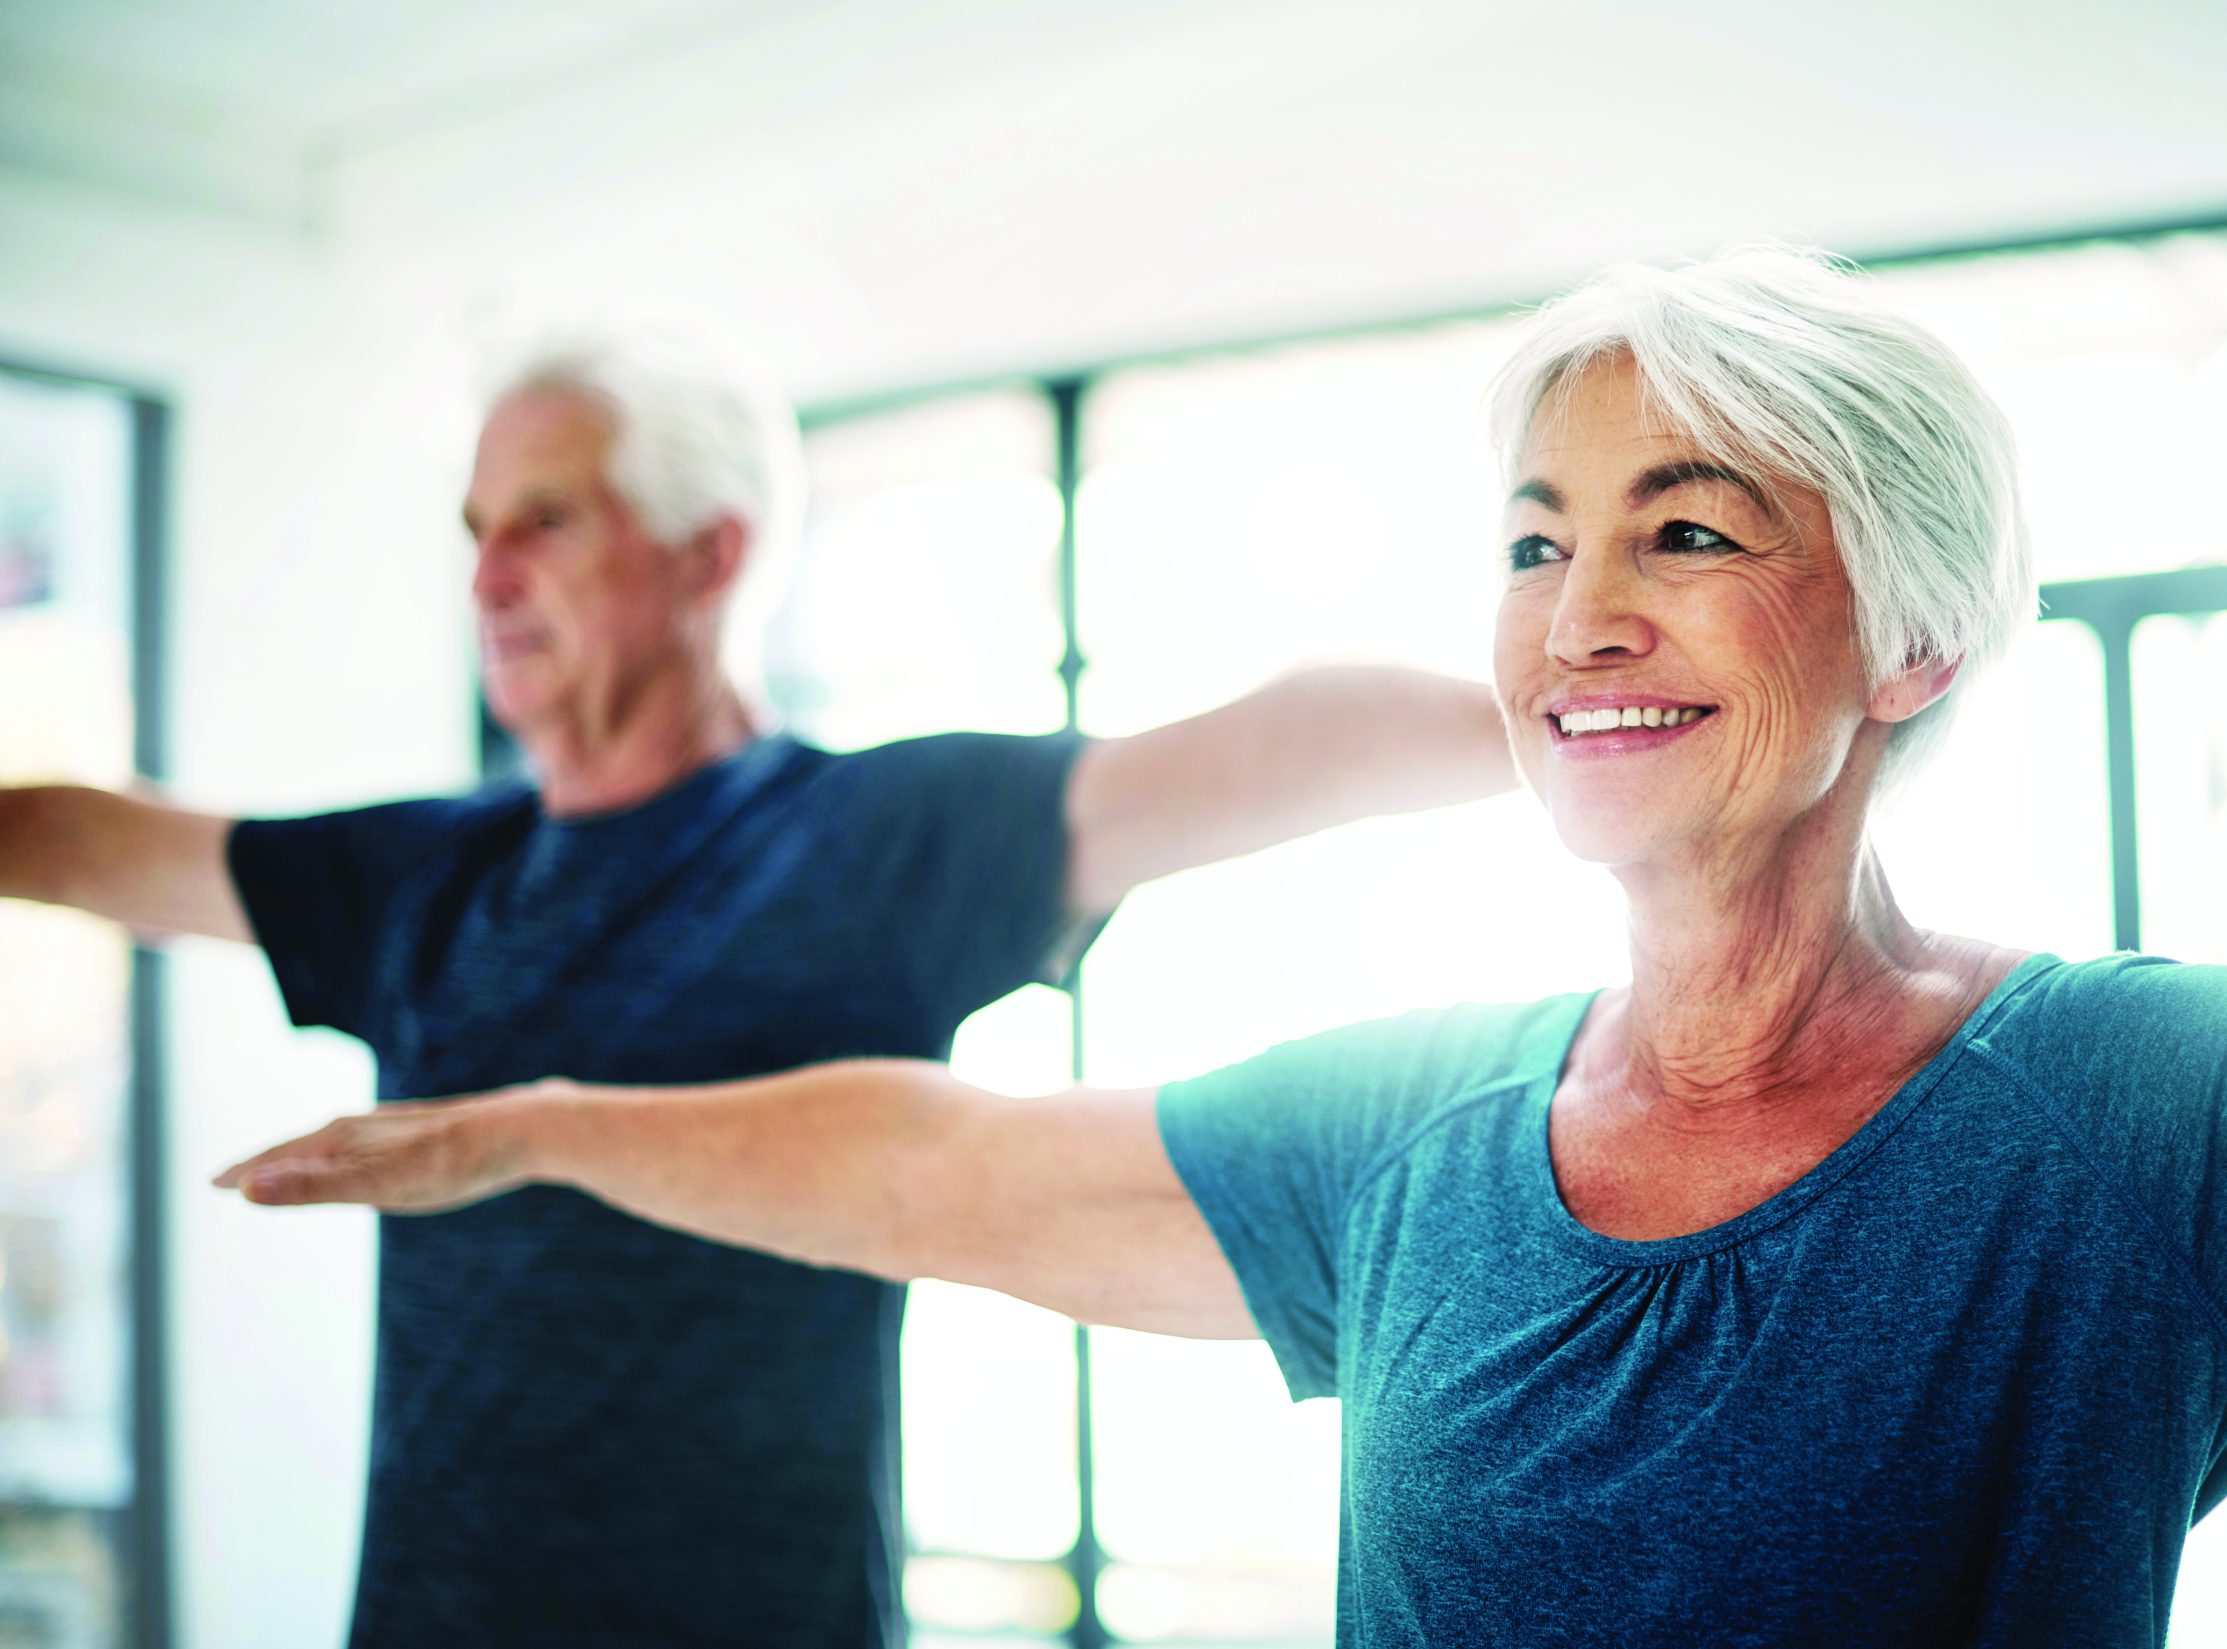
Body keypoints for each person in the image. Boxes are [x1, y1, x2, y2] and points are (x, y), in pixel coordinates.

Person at [215, 251, 2227, 1648]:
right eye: (1535, 543)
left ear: (1913, 640)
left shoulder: (2143, 1115)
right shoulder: (1425, 1132)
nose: (1580, 612)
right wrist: (531, 1127)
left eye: (1687, 527)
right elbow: (938, 1165)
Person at [0, 332, 1518, 1649]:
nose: (487, 576)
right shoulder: (424, 879)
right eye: (474, 529)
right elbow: (78, 837)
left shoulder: (866, 841)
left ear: (708, 553)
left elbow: (1276, 741)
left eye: (545, 518)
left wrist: (1609, 720)